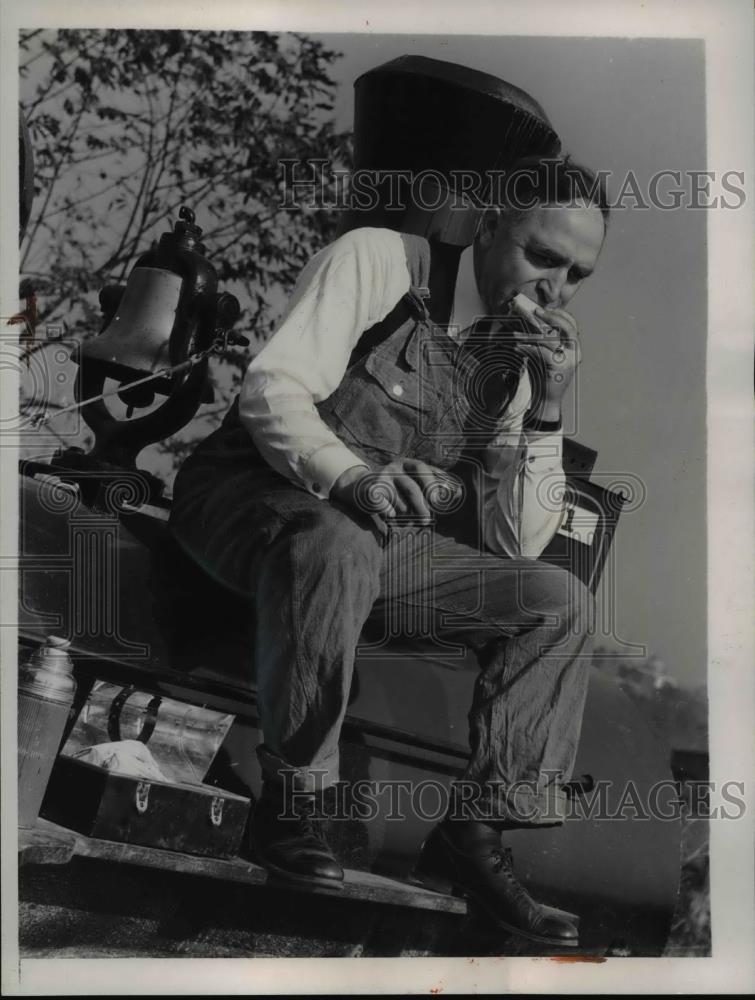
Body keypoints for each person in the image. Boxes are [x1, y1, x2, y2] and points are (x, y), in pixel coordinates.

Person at [169, 151, 609, 947]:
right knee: (337, 537)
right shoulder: (377, 259)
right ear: (485, 224)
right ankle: (297, 797)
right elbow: (272, 388)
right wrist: (353, 481)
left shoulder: (510, 365)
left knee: (557, 601)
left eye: (577, 275)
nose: (555, 289)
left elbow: (517, 540)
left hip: (374, 549)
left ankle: (473, 835)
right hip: (250, 500)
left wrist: (546, 407)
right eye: (542, 257)